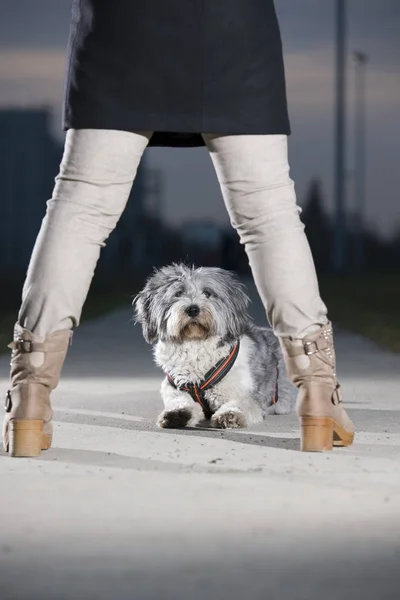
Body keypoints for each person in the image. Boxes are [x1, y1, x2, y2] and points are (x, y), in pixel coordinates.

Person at [3, 0, 354, 457]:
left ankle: (28, 398)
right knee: (268, 215)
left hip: (121, 25)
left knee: (80, 206)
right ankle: (318, 397)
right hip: (232, 24)